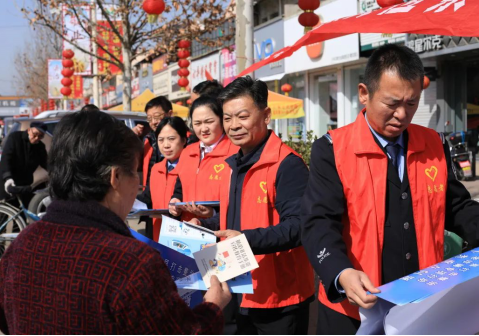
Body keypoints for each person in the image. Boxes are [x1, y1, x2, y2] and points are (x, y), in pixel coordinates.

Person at [0, 110, 231, 334]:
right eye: (135, 172)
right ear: (115, 177)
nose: (138, 185)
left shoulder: (21, 246)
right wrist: (212, 308)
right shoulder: (132, 263)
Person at [301, 44, 479, 335]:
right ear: (364, 93)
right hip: (355, 305)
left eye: (412, 103)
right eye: (392, 103)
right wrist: (340, 272)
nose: (402, 114)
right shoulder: (333, 149)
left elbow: (455, 206)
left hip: (422, 301)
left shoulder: (433, 143)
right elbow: (318, 221)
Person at [192, 77, 315, 335]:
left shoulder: (287, 164)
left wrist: (244, 240)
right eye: (227, 118)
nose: (234, 126)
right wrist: (205, 223)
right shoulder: (233, 164)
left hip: (279, 297)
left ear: (266, 115)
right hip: (240, 290)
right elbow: (234, 220)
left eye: (242, 116)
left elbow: (299, 226)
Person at [169, 96, 239, 222]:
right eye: (197, 123)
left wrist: (213, 213)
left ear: (222, 119)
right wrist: (175, 201)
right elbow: (180, 187)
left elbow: (241, 199)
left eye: (209, 121)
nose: (204, 129)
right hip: (189, 226)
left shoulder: (236, 152)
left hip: (221, 229)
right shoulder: (187, 152)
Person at [139, 117, 189, 241]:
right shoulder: (156, 168)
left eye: (171, 139)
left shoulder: (191, 168)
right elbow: (147, 197)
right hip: (158, 233)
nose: (166, 145)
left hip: (185, 236)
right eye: (161, 140)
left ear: (184, 140)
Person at [0, 121, 48, 205]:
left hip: (25, 183)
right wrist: (8, 178)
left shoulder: (40, 147)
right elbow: (6, 159)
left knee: (24, 211)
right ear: (29, 130)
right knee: (6, 210)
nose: (37, 138)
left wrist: (57, 175)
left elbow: (46, 163)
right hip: (9, 181)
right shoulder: (15, 138)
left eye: (40, 136)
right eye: (35, 134)